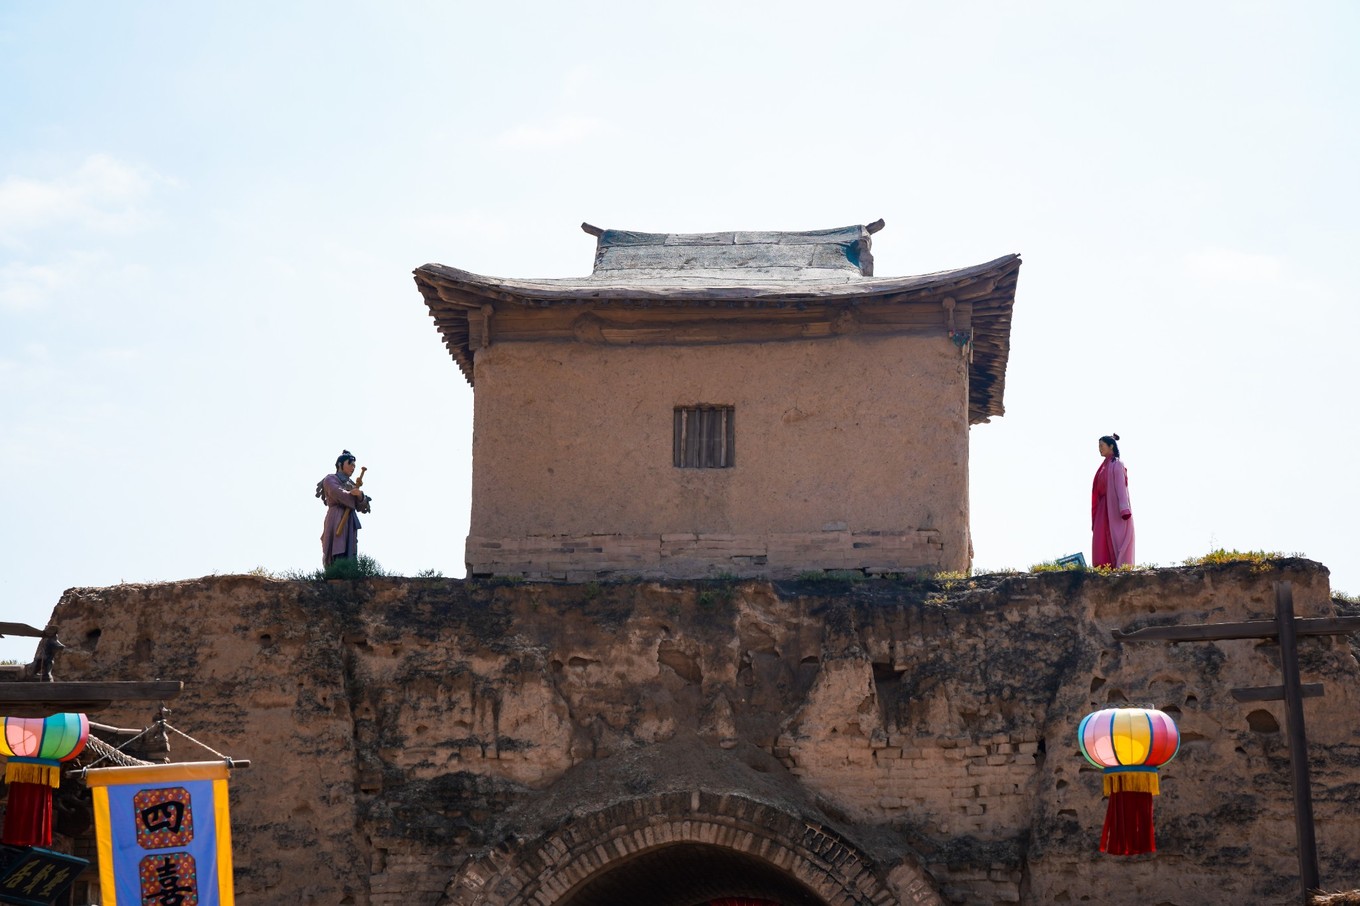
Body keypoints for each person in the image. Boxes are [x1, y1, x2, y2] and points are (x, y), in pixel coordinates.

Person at [317, 450, 370, 567]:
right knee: (337, 545)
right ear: (340, 465)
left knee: (350, 548)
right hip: (336, 517)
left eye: (354, 466)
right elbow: (337, 493)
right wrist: (353, 495)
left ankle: (348, 571)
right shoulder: (330, 479)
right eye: (350, 464)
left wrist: (360, 496)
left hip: (349, 519)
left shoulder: (352, 483)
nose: (353, 468)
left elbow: (362, 505)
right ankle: (335, 570)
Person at [1092, 434, 1135, 568]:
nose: (1099, 449)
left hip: (1114, 507)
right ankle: (1104, 569)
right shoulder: (1103, 466)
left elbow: (1121, 487)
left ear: (1111, 446)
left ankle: (1120, 568)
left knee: (1118, 538)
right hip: (1102, 509)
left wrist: (1124, 509)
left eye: (1101, 445)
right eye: (1098, 446)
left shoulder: (1117, 464)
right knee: (1100, 539)